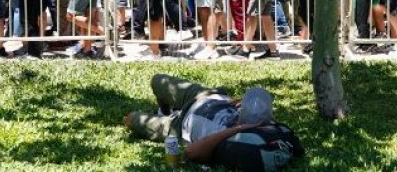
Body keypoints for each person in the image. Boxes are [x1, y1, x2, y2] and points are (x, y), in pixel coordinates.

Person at [125, 74, 303, 171]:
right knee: (157, 80)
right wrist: (245, 102)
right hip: (207, 95)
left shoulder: (233, 141)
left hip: (179, 125)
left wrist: (238, 128)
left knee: (131, 119)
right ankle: (164, 110)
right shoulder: (266, 124)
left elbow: (191, 153)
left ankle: (167, 115)